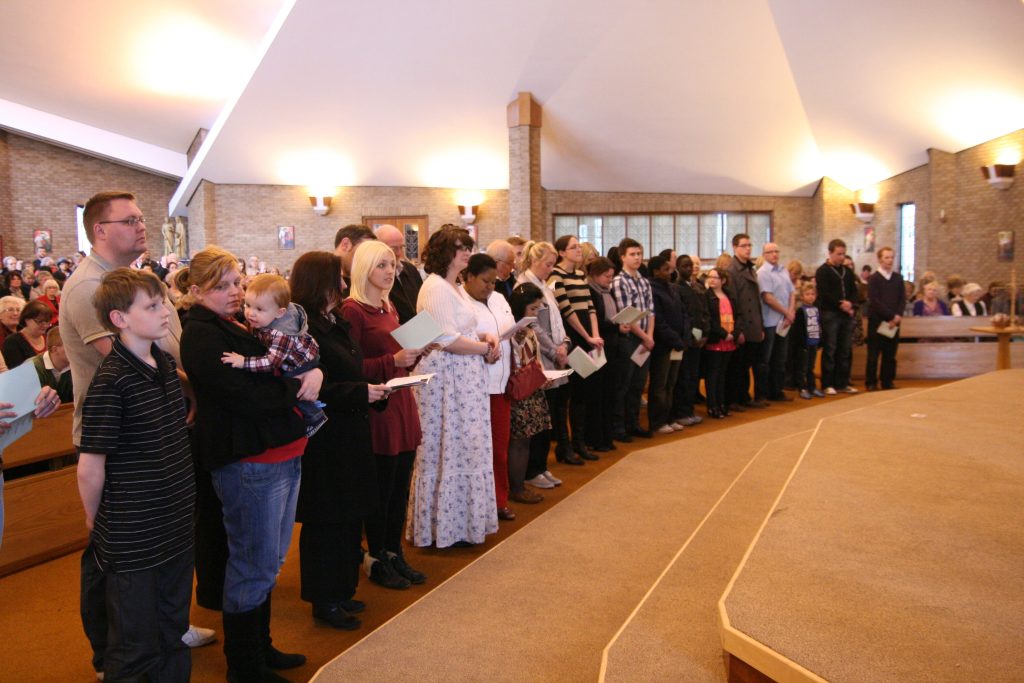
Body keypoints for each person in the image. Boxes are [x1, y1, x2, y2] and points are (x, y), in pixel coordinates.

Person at [59, 192, 214, 678]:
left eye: (142, 218)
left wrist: (182, 387)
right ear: (100, 229)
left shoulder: (135, 281)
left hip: (157, 457)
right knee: (115, 576)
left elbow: (154, 358)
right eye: (129, 220)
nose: (142, 226)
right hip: (119, 447)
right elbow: (120, 359)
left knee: (159, 588)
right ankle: (110, 654)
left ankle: (161, 631)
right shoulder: (90, 289)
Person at [180, 246, 316, 681]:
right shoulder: (202, 334)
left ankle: (261, 646)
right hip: (249, 461)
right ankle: (244, 664)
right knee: (251, 563)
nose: (235, 292)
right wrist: (295, 383)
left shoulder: (234, 322)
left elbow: (291, 354)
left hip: (279, 453)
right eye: (222, 286)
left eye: (237, 282)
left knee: (269, 561)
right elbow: (244, 396)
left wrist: (310, 371)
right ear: (197, 291)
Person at [76, 268, 196, 682]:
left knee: (172, 631)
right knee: (135, 645)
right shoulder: (112, 380)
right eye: (152, 306)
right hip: (134, 535)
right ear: (119, 319)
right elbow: (91, 465)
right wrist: (94, 518)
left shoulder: (162, 362)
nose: (165, 312)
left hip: (174, 523)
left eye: (163, 303)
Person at [291, 250, 390, 630]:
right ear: (321, 283)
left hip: (350, 430)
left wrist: (372, 391)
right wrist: (361, 392)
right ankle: (324, 599)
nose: (344, 285)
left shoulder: (334, 321)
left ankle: (343, 588)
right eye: (338, 279)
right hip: (325, 436)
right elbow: (313, 387)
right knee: (327, 520)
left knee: (350, 515)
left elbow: (351, 369)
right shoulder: (305, 329)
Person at [341, 242, 427, 591]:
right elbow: (349, 368)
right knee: (382, 490)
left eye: (391, 264)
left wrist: (416, 353)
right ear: (364, 268)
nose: (389, 271)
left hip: (402, 401)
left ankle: (394, 551)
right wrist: (393, 361)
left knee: (400, 488)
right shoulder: (353, 310)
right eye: (381, 265)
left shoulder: (388, 306)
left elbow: (399, 357)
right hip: (379, 407)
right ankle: (377, 555)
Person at [407, 227, 499, 548]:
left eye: (468, 247)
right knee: (448, 449)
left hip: (465, 378)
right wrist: (483, 348)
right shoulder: (435, 286)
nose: (467, 253)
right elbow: (444, 338)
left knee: (466, 448)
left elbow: (464, 328)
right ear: (443, 252)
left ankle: (463, 524)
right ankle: (443, 528)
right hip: (447, 379)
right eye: (460, 247)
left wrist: (485, 337)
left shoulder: (455, 286)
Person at [219, 273, 328, 437]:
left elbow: (270, 363)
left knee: (293, 384)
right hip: (294, 355)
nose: (250, 313)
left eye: (259, 309)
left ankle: (314, 416)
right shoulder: (267, 318)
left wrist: (243, 362)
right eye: (248, 305)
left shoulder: (281, 335)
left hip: (301, 361)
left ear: (280, 312)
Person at [461, 253, 516, 520]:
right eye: (485, 281)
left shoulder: (500, 299)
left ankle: (499, 500)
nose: (490, 286)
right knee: (477, 450)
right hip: (476, 385)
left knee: (500, 449)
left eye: (494, 281)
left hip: (502, 383)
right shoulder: (460, 302)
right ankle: (479, 505)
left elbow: (509, 329)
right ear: (469, 277)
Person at [516, 241, 576, 475]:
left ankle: (543, 466)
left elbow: (557, 320)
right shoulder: (524, 285)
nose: (550, 269)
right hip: (543, 355)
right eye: (547, 264)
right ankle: (535, 468)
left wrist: (565, 343)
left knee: (556, 409)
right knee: (542, 414)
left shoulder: (544, 285)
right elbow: (533, 325)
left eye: (552, 265)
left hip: (556, 353)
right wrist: (554, 349)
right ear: (534, 261)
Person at [548, 235, 603, 460]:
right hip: (571, 339)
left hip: (588, 338)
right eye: (573, 247)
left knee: (583, 392)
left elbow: (590, 307)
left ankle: (579, 442)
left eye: (579, 246)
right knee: (567, 394)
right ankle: (565, 445)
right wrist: (587, 336)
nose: (579, 250)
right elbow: (567, 310)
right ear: (562, 252)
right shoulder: (556, 275)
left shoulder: (580, 275)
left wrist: (595, 335)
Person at [506, 283, 554, 505]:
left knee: (527, 441)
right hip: (520, 391)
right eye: (532, 309)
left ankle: (521, 483)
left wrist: (543, 374)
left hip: (532, 389)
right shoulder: (513, 331)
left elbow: (535, 359)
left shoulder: (530, 331)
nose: (535, 313)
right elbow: (515, 360)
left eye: (537, 308)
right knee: (519, 441)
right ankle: (517, 487)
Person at [611, 238, 655, 440]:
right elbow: (627, 314)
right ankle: (619, 427)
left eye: (639, 254)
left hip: (645, 339)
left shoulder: (644, 280)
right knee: (624, 384)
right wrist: (645, 337)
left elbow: (650, 311)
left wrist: (650, 336)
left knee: (638, 384)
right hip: (629, 339)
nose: (637, 258)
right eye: (632, 254)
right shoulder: (619, 281)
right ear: (623, 257)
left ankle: (633, 423)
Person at [724, 233, 766, 410]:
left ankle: (744, 396)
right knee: (737, 365)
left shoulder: (750, 268)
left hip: (753, 322)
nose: (748, 249)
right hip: (741, 324)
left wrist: (760, 325)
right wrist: (738, 329)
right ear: (735, 247)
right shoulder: (731, 271)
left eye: (749, 245)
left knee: (747, 362)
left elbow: (756, 301)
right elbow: (733, 302)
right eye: (744, 246)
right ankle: (733, 398)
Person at [647, 255, 688, 433]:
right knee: (660, 385)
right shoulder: (652, 289)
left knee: (672, 383)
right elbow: (658, 320)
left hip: (677, 343)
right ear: (656, 271)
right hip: (663, 344)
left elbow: (683, 312)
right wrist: (675, 339)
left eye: (670, 269)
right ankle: (658, 421)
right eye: (665, 269)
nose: (670, 272)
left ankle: (670, 417)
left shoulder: (672, 288)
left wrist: (684, 336)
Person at [585, 257, 620, 452]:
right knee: (596, 394)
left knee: (609, 393)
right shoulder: (590, 291)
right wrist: (615, 326)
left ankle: (607, 435)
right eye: (607, 276)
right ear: (596, 274)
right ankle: (595, 438)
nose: (610, 280)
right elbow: (595, 320)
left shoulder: (608, 291)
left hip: (612, 347)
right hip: (597, 349)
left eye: (611, 276)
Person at [814, 239, 859, 395]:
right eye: (839, 254)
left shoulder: (847, 271)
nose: (842, 257)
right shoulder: (822, 271)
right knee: (830, 349)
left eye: (843, 254)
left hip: (846, 315)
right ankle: (827, 383)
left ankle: (842, 383)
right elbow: (824, 293)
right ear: (830, 253)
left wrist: (851, 303)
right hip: (830, 314)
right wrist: (840, 304)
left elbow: (854, 291)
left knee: (844, 350)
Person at [670, 255, 707, 428]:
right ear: (678, 268)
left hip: (698, 337)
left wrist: (704, 334)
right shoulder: (676, 288)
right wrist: (689, 336)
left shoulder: (696, 286)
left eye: (691, 266)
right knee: (683, 378)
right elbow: (682, 315)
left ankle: (690, 410)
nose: (689, 269)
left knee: (693, 377)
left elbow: (703, 312)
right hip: (686, 338)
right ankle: (681, 412)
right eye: (685, 266)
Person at [756, 243, 795, 402]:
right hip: (770, 321)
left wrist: (790, 313)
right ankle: (763, 393)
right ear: (764, 255)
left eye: (776, 251)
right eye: (770, 252)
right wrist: (787, 313)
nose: (774, 254)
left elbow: (792, 293)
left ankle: (777, 391)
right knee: (766, 359)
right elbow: (768, 298)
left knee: (780, 359)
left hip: (784, 322)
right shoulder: (763, 273)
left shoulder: (783, 270)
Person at [865, 247, 905, 392]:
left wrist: (898, 315)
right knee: (874, 354)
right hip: (878, 321)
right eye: (887, 257)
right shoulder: (874, 279)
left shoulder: (898, 278)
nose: (890, 260)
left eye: (892, 257)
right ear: (880, 259)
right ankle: (871, 382)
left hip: (894, 322)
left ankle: (887, 381)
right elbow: (875, 301)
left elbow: (902, 299)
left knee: (890, 354)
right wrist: (891, 316)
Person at [703, 268, 737, 419]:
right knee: (713, 374)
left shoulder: (729, 296)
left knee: (723, 374)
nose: (712, 280)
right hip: (716, 339)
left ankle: (722, 403)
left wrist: (734, 333)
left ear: (723, 280)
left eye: (715, 277)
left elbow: (738, 315)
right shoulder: (707, 296)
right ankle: (712, 405)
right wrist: (723, 334)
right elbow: (709, 319)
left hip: (730, 340)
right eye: (710, 277)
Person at [375, 224, 423, 324]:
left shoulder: (410, 270)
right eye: (393, 249)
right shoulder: (375, 276)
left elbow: (421, 301)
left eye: (402, 247)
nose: (399, 253)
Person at [791, 283, 824, 399]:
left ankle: (812, 387)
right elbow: (798, 330)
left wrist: (820, 340)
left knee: (811, 366)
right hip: (804, 344)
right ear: (802, 296)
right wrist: (801, 343)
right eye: (807, 294)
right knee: (802, 367)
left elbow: (819, 325)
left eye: (813, 294)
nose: (810, 296)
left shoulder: (816, 309)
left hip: (814, 342)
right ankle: (802, 388)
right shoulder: (800, 311)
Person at [1, 299, 51, 368]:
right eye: (40, 321)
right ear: (27, 320)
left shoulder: (49, 338)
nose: (45, 325)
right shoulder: (12, 341)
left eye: (47, 322)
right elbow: (16, 371)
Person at [31, 325, 73, 403]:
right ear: (55, 349)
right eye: (71, 346)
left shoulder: (77, 366)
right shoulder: (32, 368)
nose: (77, 349)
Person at [334, 224, 377, 291]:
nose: (367, 260)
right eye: (364, 252)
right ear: (345, 245)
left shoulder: (363, 282)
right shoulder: (321, 280)